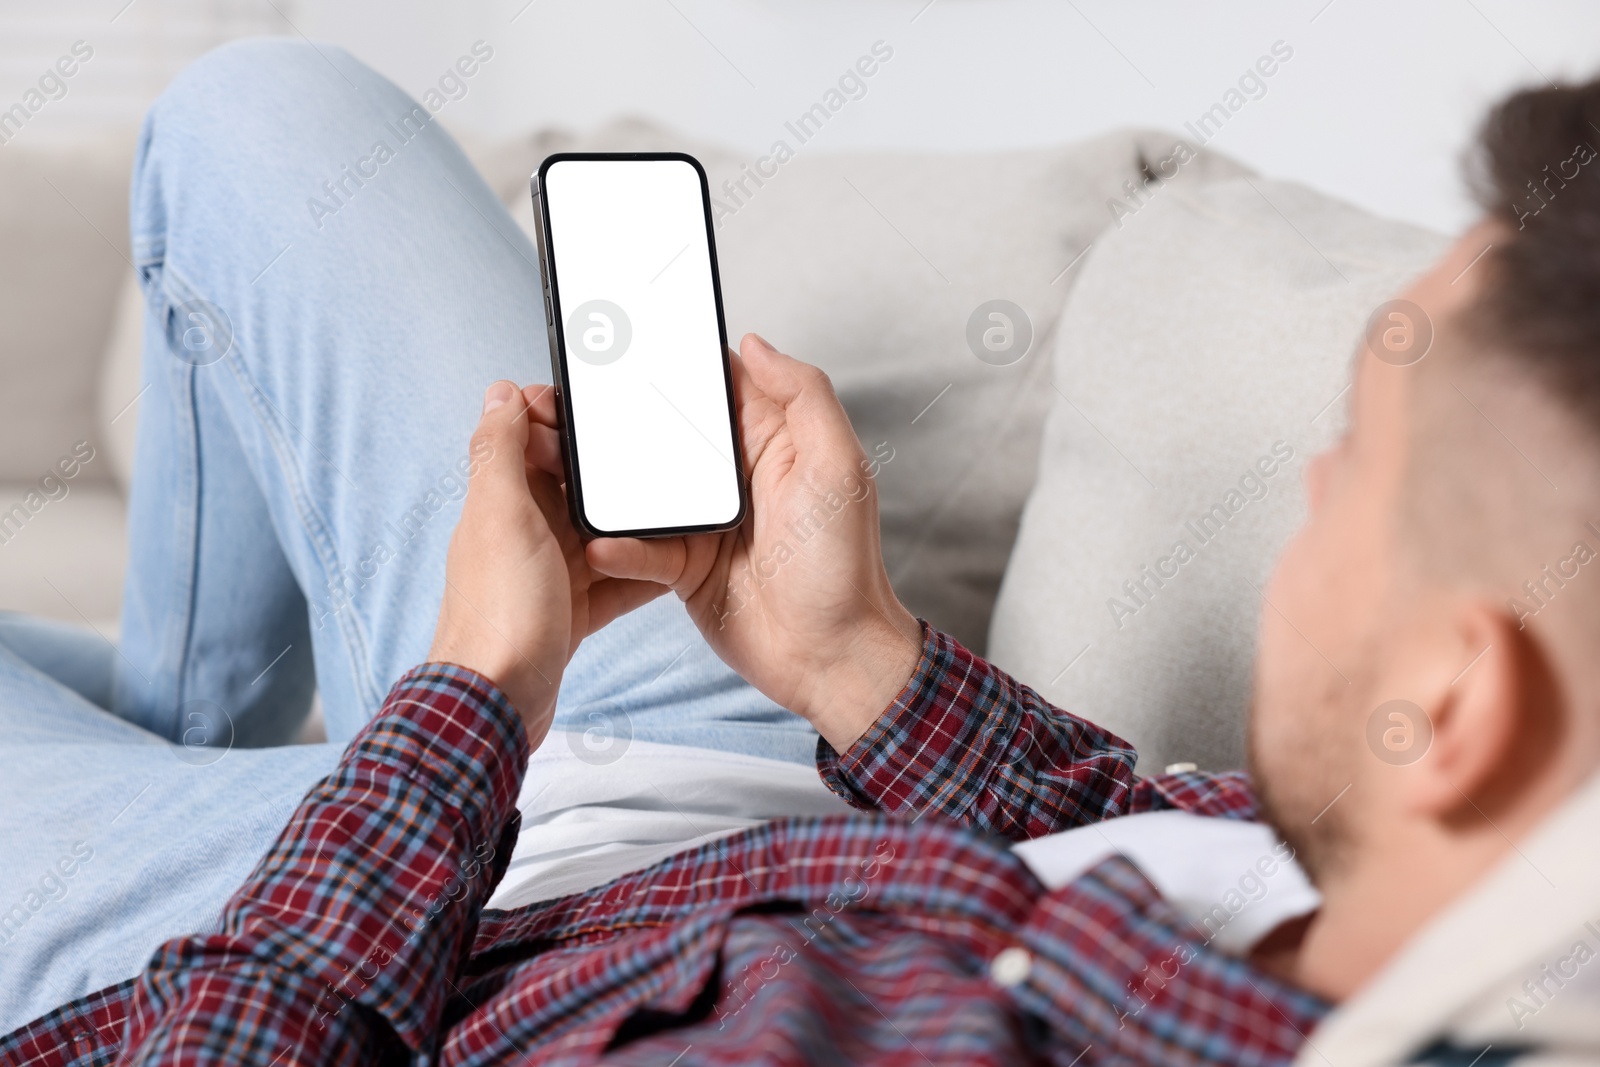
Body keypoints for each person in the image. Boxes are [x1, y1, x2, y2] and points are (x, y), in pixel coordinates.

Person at [2, 38, 1598, 1067]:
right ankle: (208, 743)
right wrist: (858, 662)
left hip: (386, 936)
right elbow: (1161, 839)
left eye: (1352, 468)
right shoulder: (1454, 892)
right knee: (262, 113)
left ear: (1460, 711)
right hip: (732, 751)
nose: (1308, 487)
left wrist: (472, 696)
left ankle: (254, 785)